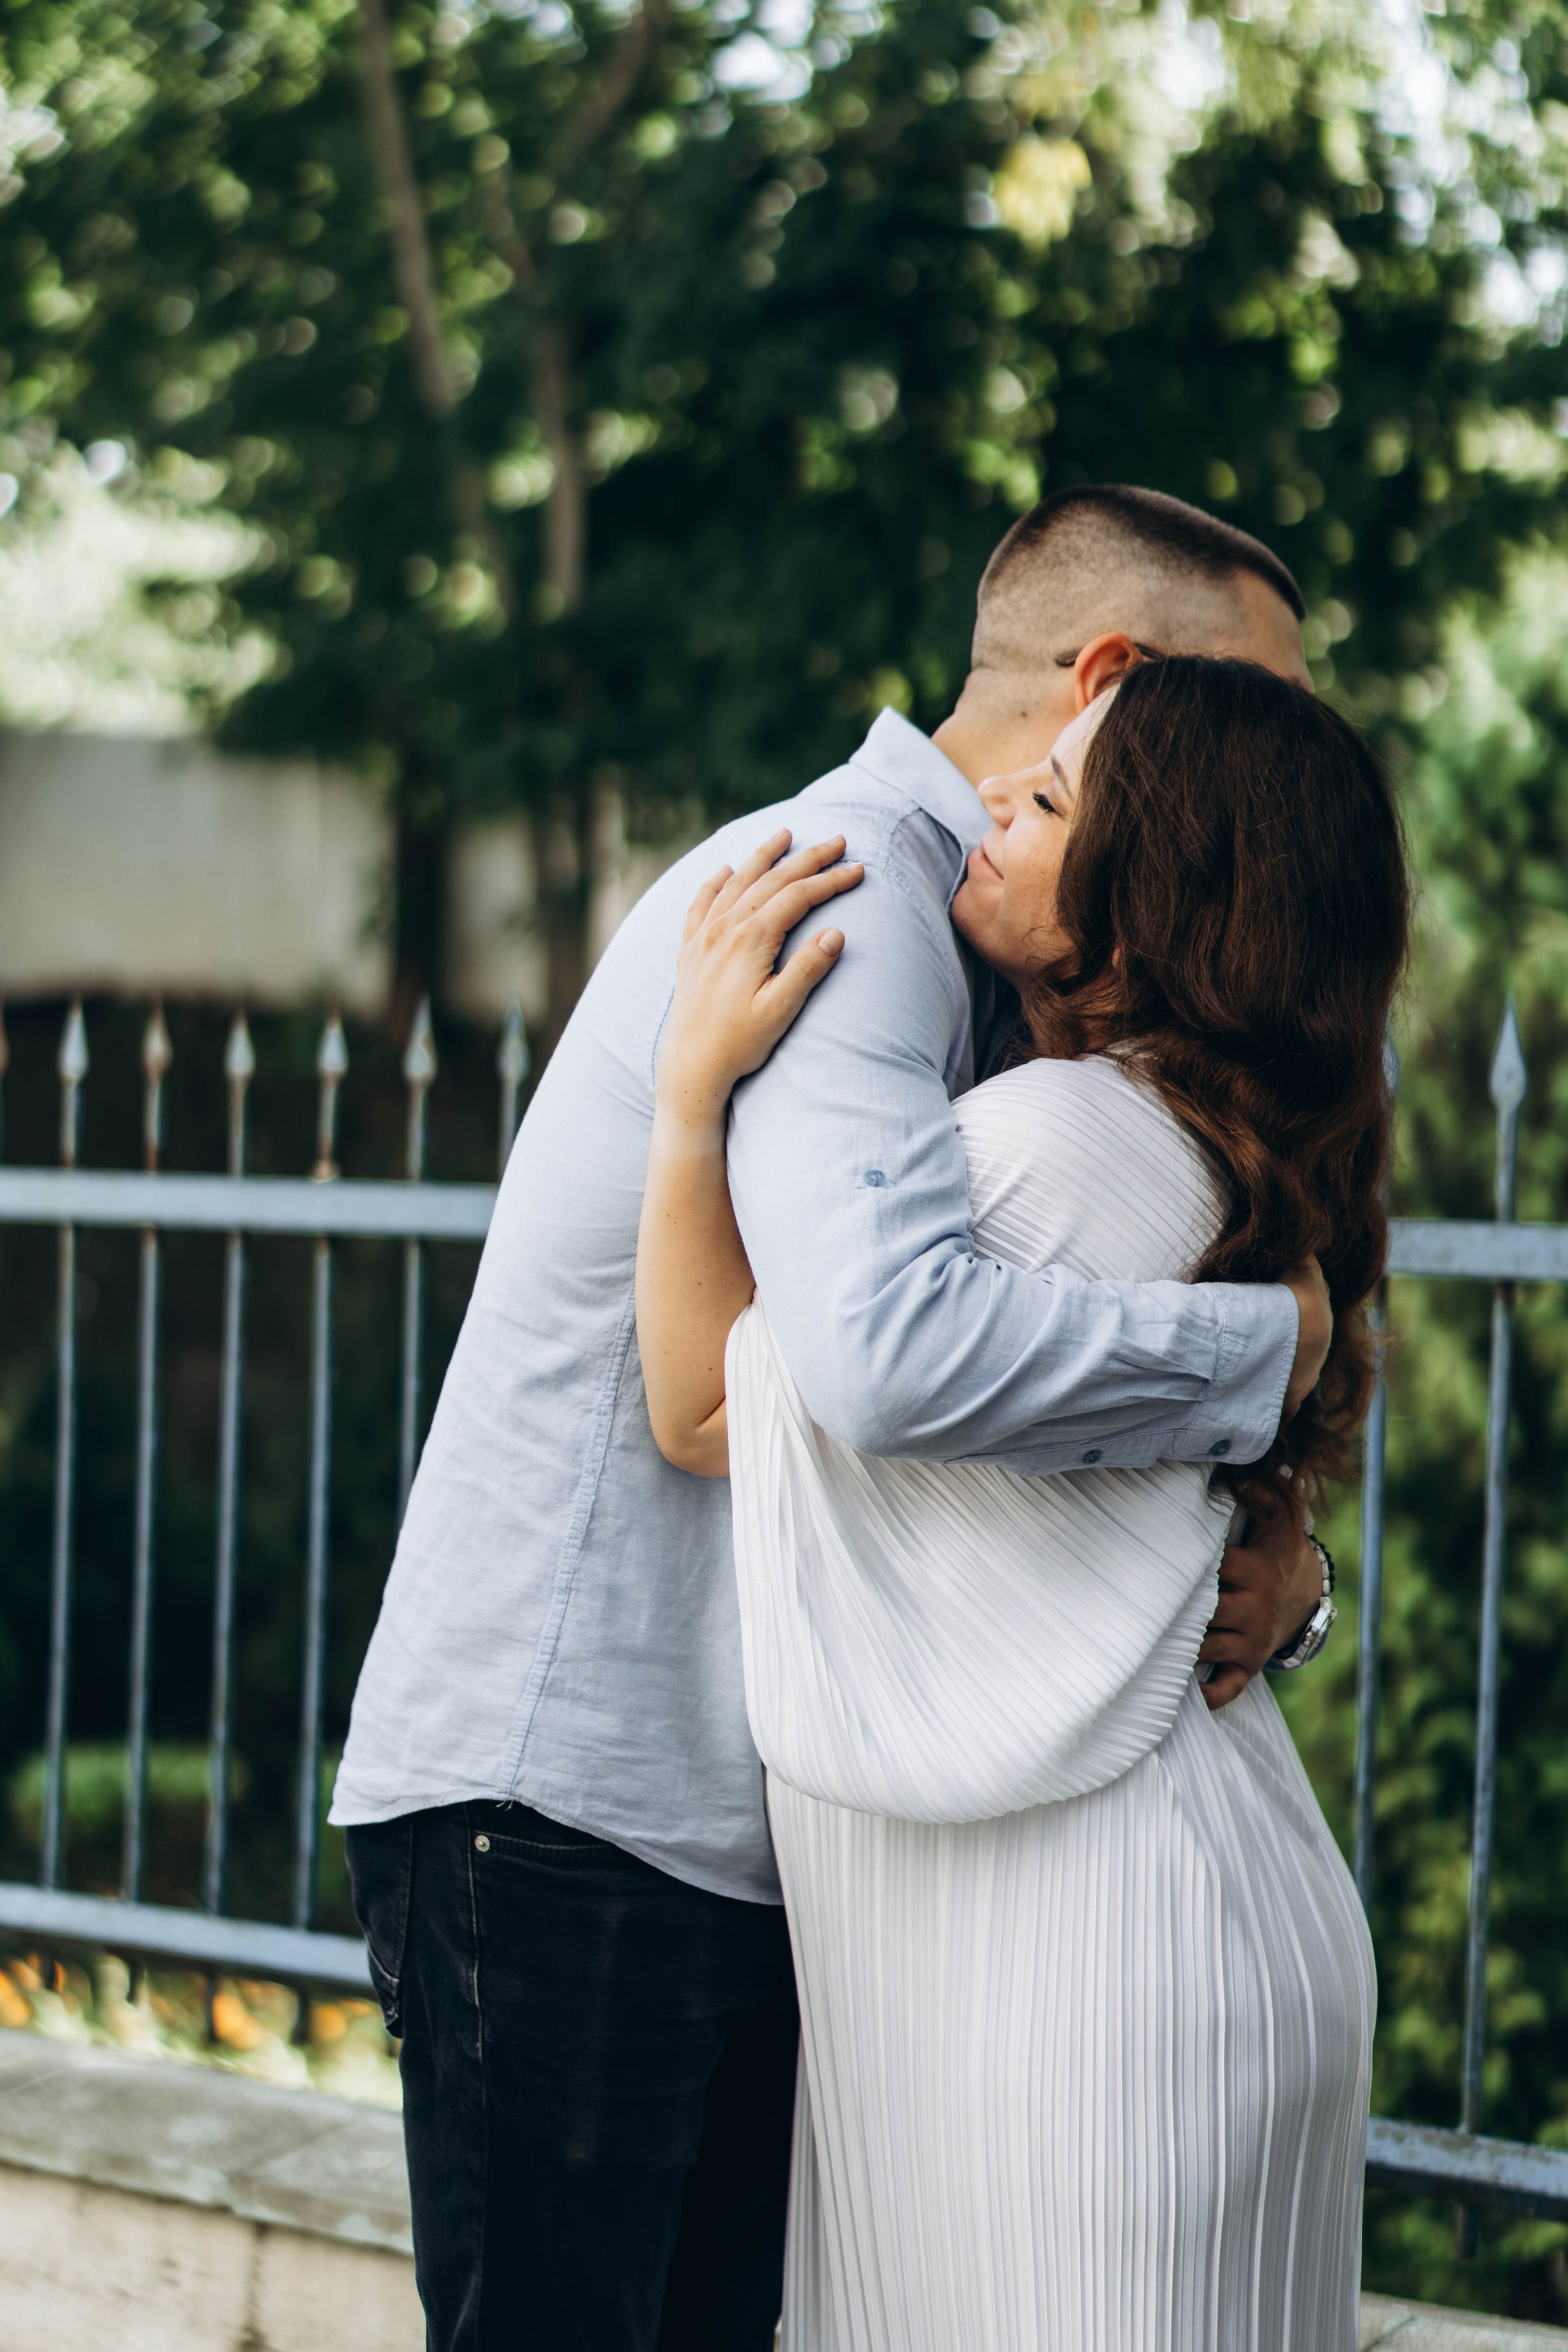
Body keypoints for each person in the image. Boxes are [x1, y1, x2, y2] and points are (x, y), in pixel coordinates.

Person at [333, 486, 1334, 2351]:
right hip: (583, 1800)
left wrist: (1299, 1572)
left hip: (773, 1833)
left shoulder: (1054, 983)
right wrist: (1261, 1345)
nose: (1274, 773)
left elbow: (1025, 1465)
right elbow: (871, 1365)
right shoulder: (854, 889)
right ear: (1112, 680)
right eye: (1247, 712)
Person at [635, 655, 1408, 2350]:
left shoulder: (1051, 1148)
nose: (993, 800)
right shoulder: (1209, 1156)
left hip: (1083, 1993)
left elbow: (706, 1405)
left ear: (1155, 903)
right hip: (1166, 1941)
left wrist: (689, 1101)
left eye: (1053, 802)